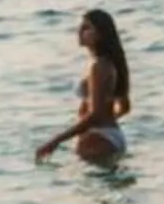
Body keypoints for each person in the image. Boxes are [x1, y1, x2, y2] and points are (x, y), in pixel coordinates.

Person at [36, 8, 133, 164]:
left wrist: (55, 141)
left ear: (100, 34)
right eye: (81, 27)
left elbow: (95, 115)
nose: (80, 31)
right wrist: (107, 123)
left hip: (98, 138)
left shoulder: (99, 67)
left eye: (87, 28)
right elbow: (124, 108)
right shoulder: (110, 64)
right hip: (110, 136)